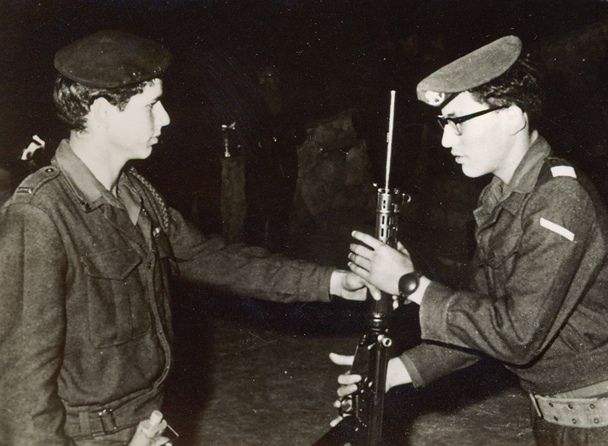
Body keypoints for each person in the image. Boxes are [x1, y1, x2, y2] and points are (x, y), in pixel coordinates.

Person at [0, 29, 365, 445]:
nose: (166, 118)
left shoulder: (132, 191)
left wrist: (331, 282)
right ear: (102, 112)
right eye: (151, 105)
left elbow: (210, 258)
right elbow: (22, 397)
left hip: (149, 422)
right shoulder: (41, 215)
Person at [339, 36, 608, 445]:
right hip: (564, 419)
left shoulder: (559, 198)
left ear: (513, 117)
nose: (447, 140)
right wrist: (397, 371)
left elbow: (517, 335)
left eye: (459, 121)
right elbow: (487, 317)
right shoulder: (500, 199)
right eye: (443, 124)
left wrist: (410, 283)